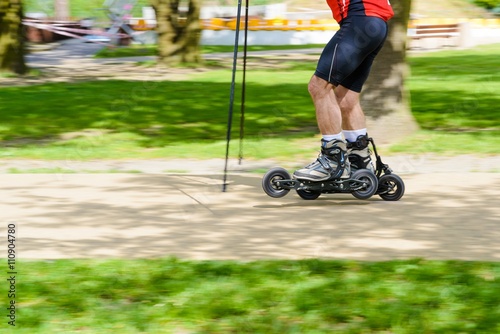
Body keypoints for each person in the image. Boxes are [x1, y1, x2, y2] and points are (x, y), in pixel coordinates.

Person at [294, 0, 394, 182]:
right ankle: (360, 160)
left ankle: (332, 161)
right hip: (376, 24)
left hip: (360, 20)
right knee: (345, 98)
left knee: (319, 86)